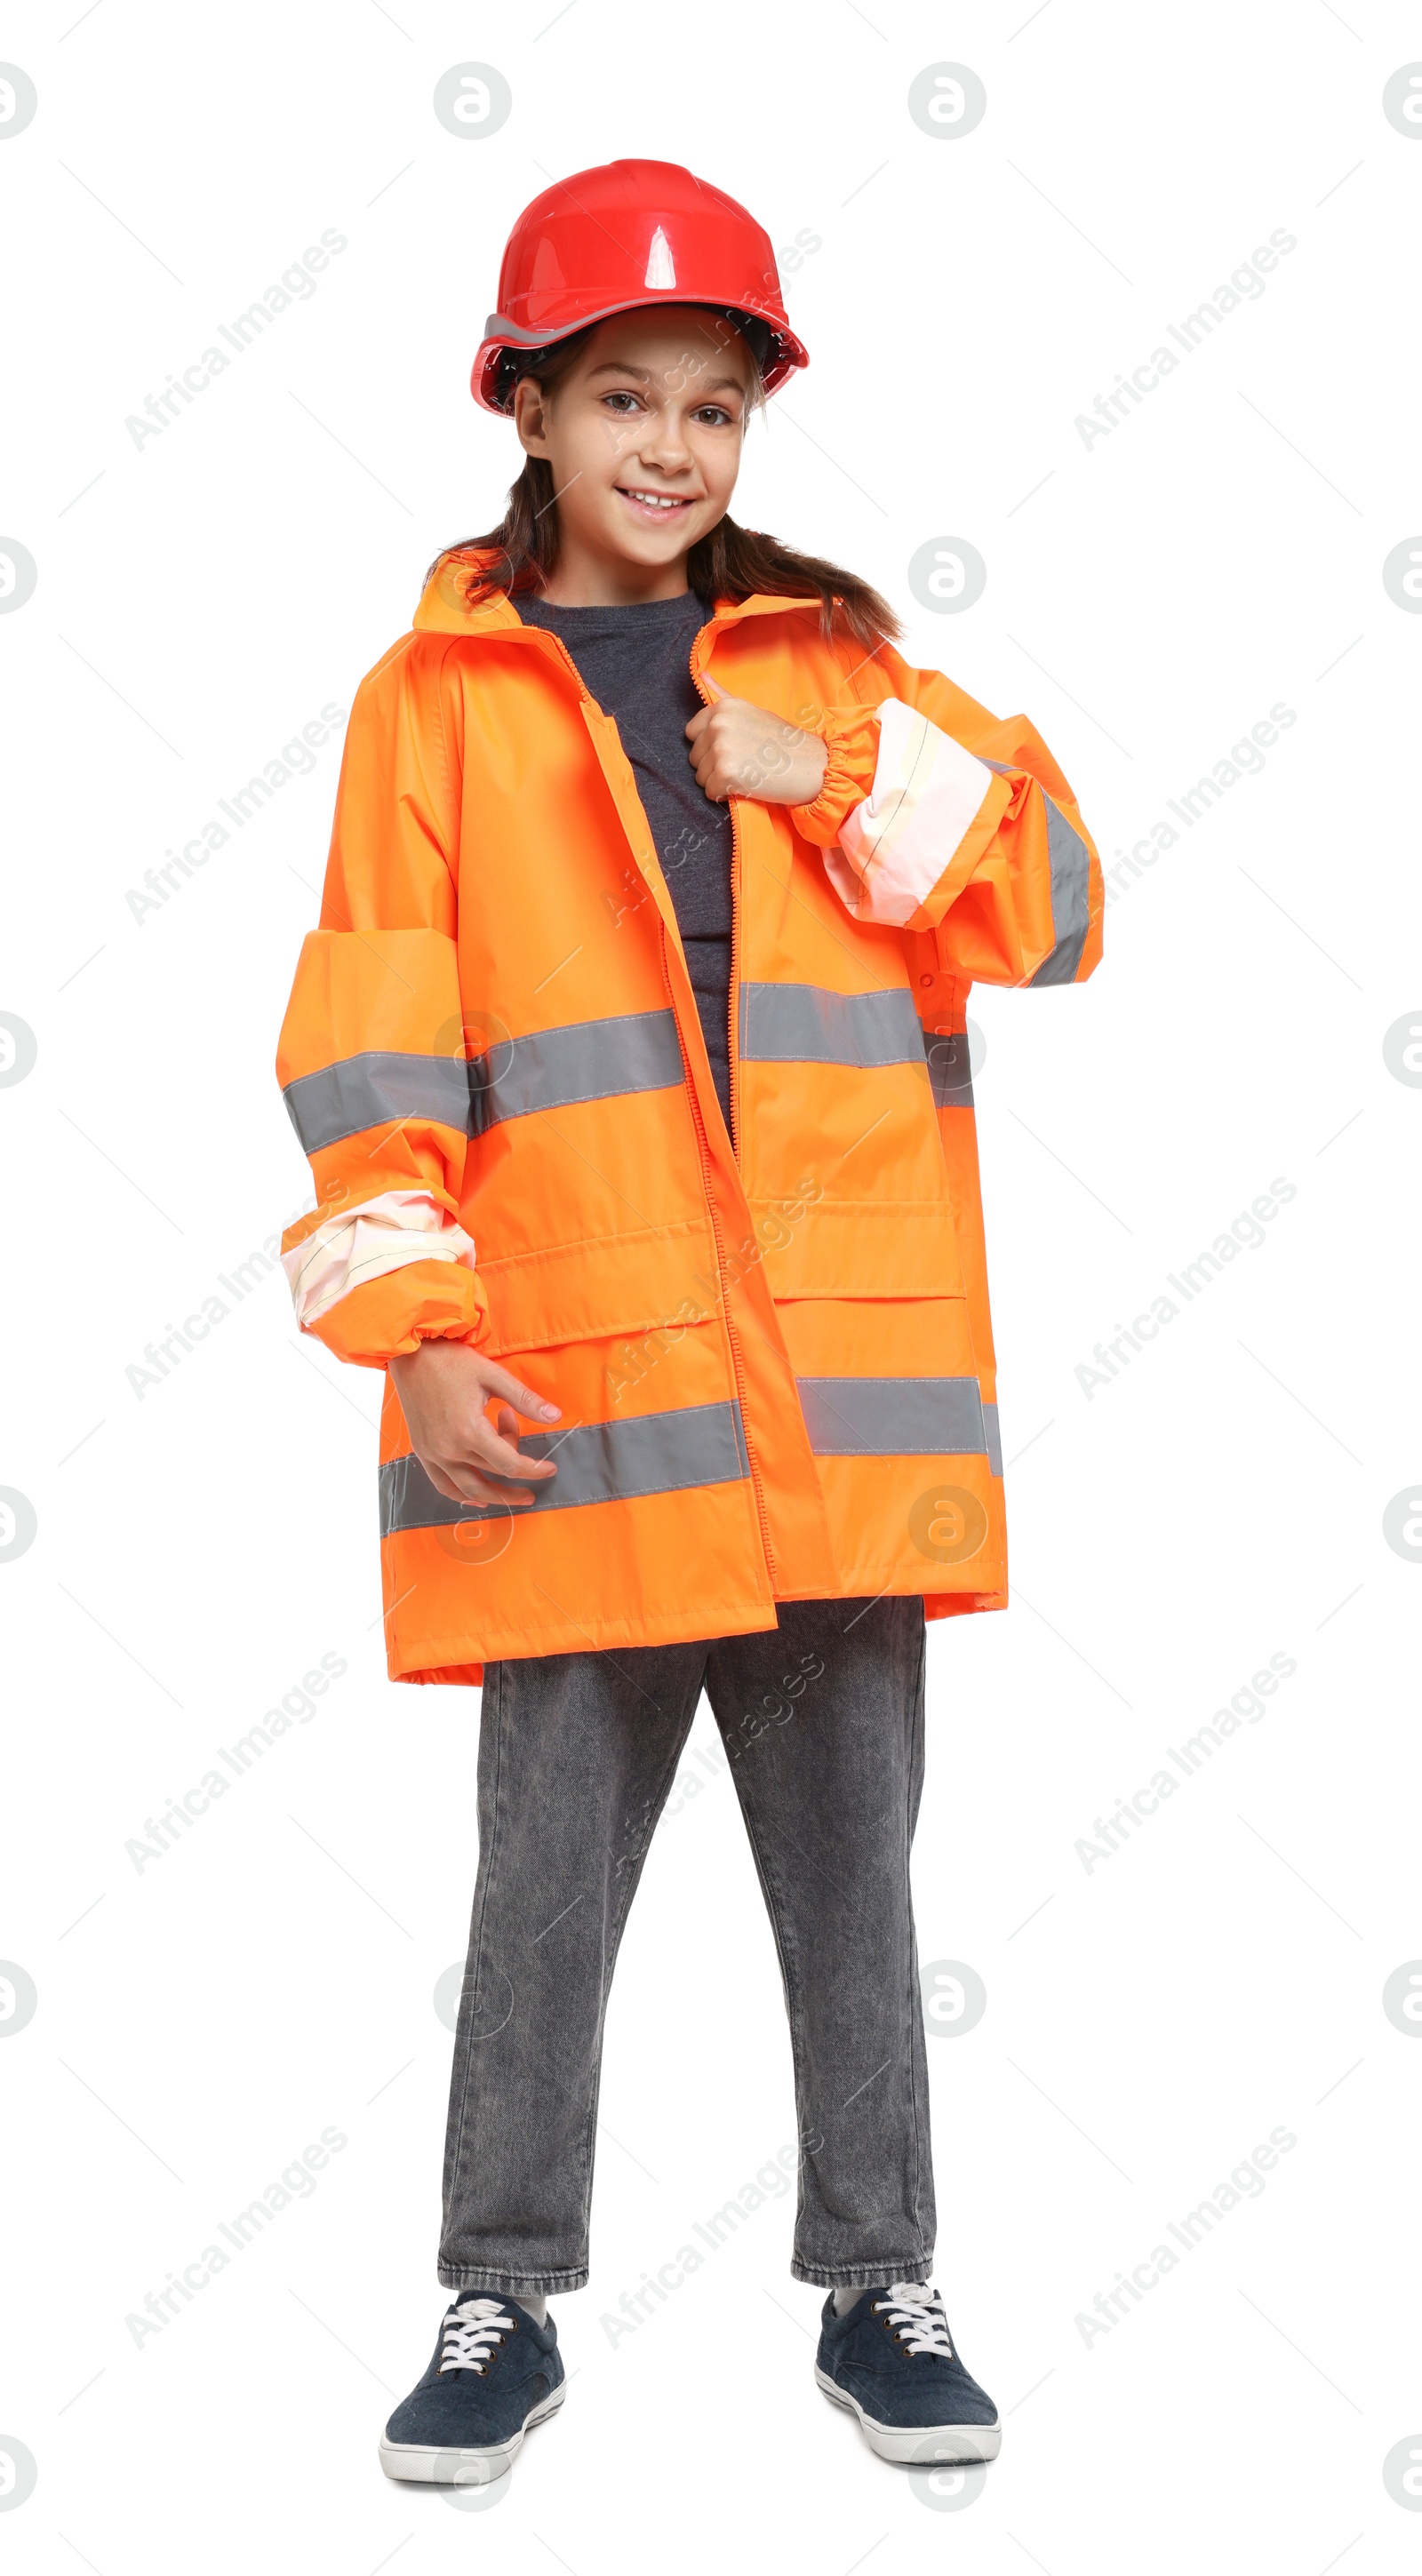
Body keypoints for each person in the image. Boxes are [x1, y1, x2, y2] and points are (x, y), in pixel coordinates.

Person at [275, 158, 1103, 2485]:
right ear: (523, 406)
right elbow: (370, 1042)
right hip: (577, 1386)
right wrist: (416, 1333)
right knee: (541, 1880)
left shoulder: (834, 668)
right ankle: (496, 2294)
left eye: (713, 404)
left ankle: (879, 2281)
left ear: (755, 428)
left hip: (836, 1391)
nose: (668, 444)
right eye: (620, 394)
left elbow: (1049, 899)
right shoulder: (434, 703)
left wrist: (825, 775)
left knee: (860, 1872)